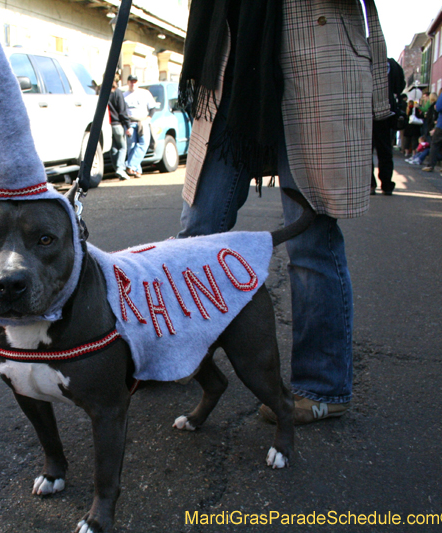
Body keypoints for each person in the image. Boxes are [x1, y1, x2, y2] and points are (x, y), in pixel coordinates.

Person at [177, 0, 392, 424]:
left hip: (316, 47)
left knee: (311, 237)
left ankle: (323, 386)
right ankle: (177, 356)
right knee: (197, 231)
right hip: (230, 60)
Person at [371, 57, 405, 195]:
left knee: (365, 150)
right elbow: (399, 87)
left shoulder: (363, 59)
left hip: (366, 108)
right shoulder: (391, 64)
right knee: (385, 149)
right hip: (386, 109)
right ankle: (386, 184)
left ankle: (370, 185)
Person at [122, 75, 157, 178]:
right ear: (128, 82)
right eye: (131, 82)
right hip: (130, 123)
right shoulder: (124, 95)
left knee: (144, 144)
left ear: (137, 82)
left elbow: (152, 107)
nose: (133, 84)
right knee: (132, 146)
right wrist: (126, 125)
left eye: (135, 81)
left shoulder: (144, 93)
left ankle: (130, 165)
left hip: (143, 122)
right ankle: (137, 170)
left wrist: (149, 118)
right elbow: (122, 111)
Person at [107, 77, 131, 180]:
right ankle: (120, 169)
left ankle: (116, 168)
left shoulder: (103, 93)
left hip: (107, 125)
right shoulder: (117, 93)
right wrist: (128, 125)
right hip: (117, 124)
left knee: (113, 149)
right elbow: (122, 111)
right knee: (122, 147)